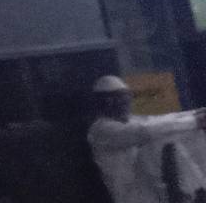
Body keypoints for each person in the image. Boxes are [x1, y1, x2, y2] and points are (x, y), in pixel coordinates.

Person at [88, 74, 206, 203]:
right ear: (105, 102)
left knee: (172, 134)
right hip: (133, 197)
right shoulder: (101, 130)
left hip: (156, 192)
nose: (124, 101)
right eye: (116, 97)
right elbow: (144, 131)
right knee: (160, 136)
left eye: (125, 96)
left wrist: (195, 113)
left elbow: (160, 120)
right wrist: (194, 121)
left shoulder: (132, 121)